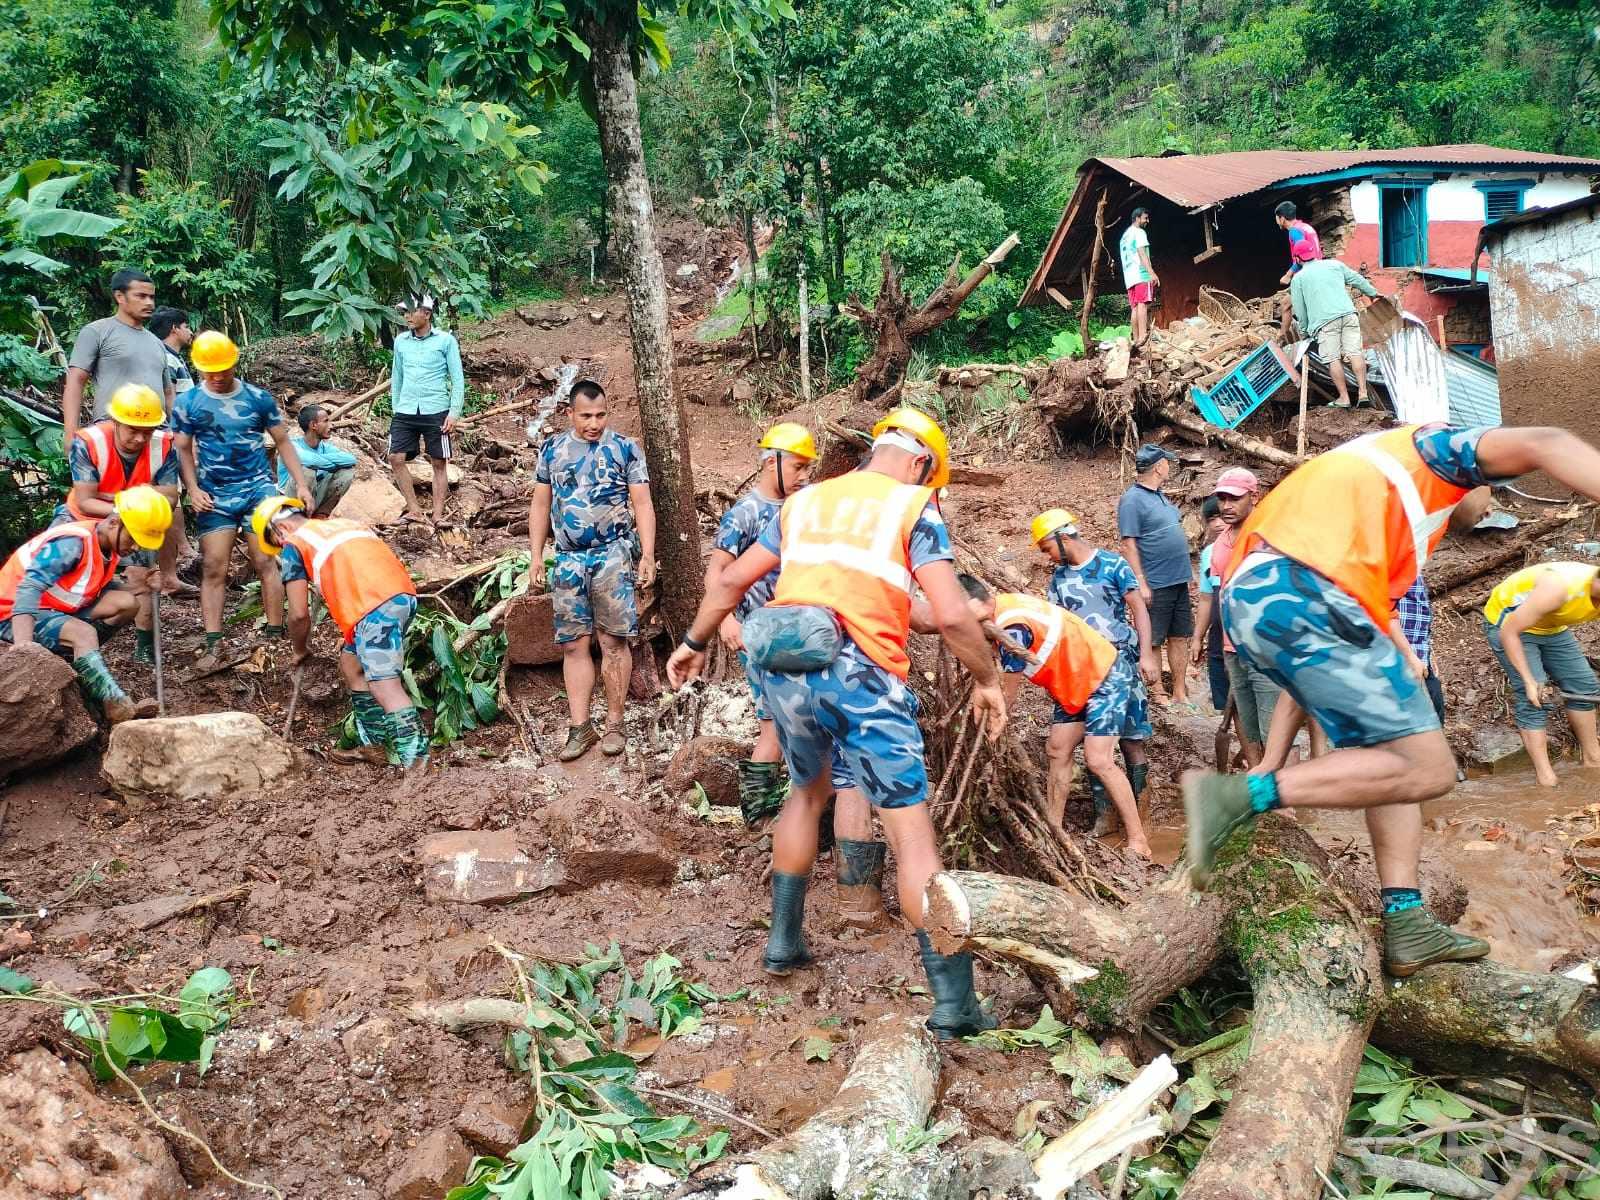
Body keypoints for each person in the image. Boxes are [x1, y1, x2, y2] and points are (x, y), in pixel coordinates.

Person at [1191, 422, 1600, 976]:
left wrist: (1394, 650)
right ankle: (1235, 798)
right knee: (1432, 772)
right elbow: (1549, 441)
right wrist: (1265, 774)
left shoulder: (1360, 509)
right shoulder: (1435, 447)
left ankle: (1405, 921)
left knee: (1395, 758)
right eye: (1489, 492)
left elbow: (1302, 682)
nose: (1486, 506)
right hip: (1307, 587)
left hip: (1268, 598)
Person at [665, 409, 1006, 1039]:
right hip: (864, 678)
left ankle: (783, 944)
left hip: (785, 666)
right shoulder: (912, 507)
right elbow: (954, 614)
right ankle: (956, 1004)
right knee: (912, 835)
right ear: (921, 463)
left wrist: (693, 641)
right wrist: (987, 680)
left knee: (807, 793)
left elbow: (734, 578)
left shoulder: (805, 502)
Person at [709, 423, 886, 923]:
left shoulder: (800, 508)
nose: (806, 476)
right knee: (772, 729)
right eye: (801, 466)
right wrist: (724, 620)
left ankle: (789, 822)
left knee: (799, 740)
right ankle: (761, 816)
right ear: (773, 462)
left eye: (811, 468)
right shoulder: (746, 512)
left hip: (806, 643)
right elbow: (719, 572)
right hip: (765, 637)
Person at [958, 575, 1151, 857]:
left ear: (984, 603)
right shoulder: (1002, 608)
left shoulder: (1012, 625)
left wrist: (994, 726)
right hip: (1076, 681)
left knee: (1099, 759)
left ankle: (1139, 841)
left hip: (1104, 675)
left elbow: (1007, 694)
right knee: (1057, 749)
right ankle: (1054, 828)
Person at [528, 380, 657, 761]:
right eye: (586, 416)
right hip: (568, 558)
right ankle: (580, 727)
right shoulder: (552, 450)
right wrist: (536, 556)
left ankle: (615, 724)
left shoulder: (624, 449)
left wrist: (646, 554)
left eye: (600, 415)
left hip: (613, 553)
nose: (594, 423)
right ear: (570, 413)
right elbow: (540, 506)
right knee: (573, 643)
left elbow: (643, 504)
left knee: (613, 640)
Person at [173, 331, 314, 672]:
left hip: (257, 489)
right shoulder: (188, 402)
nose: (217, 376)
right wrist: (192, 489)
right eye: (210, 371)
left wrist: (300, 484)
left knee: (267, 561)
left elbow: (282, 442)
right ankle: (213, 640)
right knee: (213, 566)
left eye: (223, 368)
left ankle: (276, 633)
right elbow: (182, 449)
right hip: (214, 494)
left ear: (234, 362)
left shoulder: (258, 398)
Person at [253, 497, 429, 769]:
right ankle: (374, 745)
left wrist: (299, 649)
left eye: (276, 543)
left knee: (385, 685)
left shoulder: (294, 545)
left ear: (280, 530)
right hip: (400, 597)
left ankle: (418, 765)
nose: (279, 547)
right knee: (351, 664)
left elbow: (299, 613)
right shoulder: (344, 525)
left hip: (372, 607)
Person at [1034, 510, 1157, 837]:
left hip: (1121, 664)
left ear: (1063, 536)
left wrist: (1147, 655)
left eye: (1047, 547)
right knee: (1093, 741)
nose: (1047, 556)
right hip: (1081, 671)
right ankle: (1105, 818)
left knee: (1131, 740)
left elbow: (1139, 610)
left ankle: (1140, 814)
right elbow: (1057, 627)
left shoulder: (1113, 565)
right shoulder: (1058, 580)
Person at [0, 486, 171, 722]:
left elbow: (86, 588)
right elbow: (28, 589)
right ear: (114, 522)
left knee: (127, 603)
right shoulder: (72, 543)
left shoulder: (105, 546)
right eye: (133, 538)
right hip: (11, 613)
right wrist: (25, 650)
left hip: (51, 608)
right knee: (83, 633)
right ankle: (114, 706)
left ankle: (80, 660)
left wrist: (143, 585)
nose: (135, 547)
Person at [61, 383, 182, 664]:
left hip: (135, 519)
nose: (140, 439)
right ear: (116, 421)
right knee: (68, 576)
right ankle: (63, 634)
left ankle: (143, 646)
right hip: (84, 518)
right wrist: (134, 502)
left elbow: (171, 497)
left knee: (142, 578)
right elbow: (85, 500)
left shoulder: (164, 445)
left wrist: (136, 508)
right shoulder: (89, 442)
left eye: (147, 431)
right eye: (133, 430)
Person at [1481, 562, 1600, 787]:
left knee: (1584, 687)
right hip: (1510, 623)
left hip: (1551, 627)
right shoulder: (1559, 588)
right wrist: (1528, 680)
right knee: (1535, 697)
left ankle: (1594, 760)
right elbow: (1509, 632)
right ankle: (1546, 778)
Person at [1191, 467, 1280, 765]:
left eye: (1235, 498)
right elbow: (1212, 595)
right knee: (1247, 720)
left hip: (1267, 644)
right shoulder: (1219, 544)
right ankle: (1260, 784)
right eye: (1222, 498)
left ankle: (1288, 796)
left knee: (1276, 725)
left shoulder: (1271, 534)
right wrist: (1198, 637)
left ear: (1254, 497)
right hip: (1231, 645)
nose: (1226, 506)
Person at [1117, 443, 1193, 709]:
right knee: (1154, 638)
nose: (1169, 467)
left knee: (1180, 635)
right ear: (1159, 466)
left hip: (1178, 580)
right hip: (1156, 582)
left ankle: (1180, 692)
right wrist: (1140, 580)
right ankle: (1159, 691)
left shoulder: (1160, 496)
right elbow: (1128, 544)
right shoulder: (1132, 500)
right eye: (1167, 463)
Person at [62, 269, 173, 448]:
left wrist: (176, 433)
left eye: (151, 297)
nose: (149, 303)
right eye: (141, 296)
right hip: (113, 430)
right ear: (120, 296)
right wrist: (70, 434)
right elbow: (75, 381)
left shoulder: (156, 342)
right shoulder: (97, 331)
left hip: (156, 432)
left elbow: (168, 393)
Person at [389, 294, 464, 527]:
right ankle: (414, 509)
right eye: (404, 313)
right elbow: (397, 376)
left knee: (439, 462)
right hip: (406, 410)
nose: (407, 317)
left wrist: (454, 412)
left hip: (436, 409)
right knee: (395, 457)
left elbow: (457, 378)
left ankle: (438, 515)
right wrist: (396, 407)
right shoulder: (401, 341)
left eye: (411, 311)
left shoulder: (445, 341)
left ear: (427, 314)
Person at [1288, 257, 1381, 409]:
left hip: (1325, 322)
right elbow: (1356, 279)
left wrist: (1304, 331)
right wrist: (1373, 292)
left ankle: (1344, 398)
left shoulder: (1298, 279)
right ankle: (1363, 393)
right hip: (1349, 315)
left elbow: (1300, 309)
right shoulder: (1334, 264)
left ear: (1298, 259)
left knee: (1333, 359)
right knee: (1355, 353)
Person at [281, 405, 357, 516]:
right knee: (307, 470)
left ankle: (321, 515)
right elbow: (310, 461)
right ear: (313, 425)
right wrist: (332, 465)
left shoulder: (325, 448)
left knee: (346, 472)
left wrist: (319, 461)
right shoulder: (292, 445)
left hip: (314, 496)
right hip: (288, 500)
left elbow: (351, 459)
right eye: (326, 421)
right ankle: (296, 516)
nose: (331, 426)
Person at [1398, 579, 1447, 727]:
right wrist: (1409, 656)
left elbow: (1422, 616)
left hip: (1421, 655)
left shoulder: (1414, 574)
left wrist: (1429, 652)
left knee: (1435, 699)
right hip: (1396, 656)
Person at [1119, 208, 1158, 347]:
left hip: (1129, 277)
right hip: (1141, 274)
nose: (1147, 221)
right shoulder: (1139, 232)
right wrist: (1152, 273)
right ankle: (1142, 336)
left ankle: (1135, 339)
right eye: (1145, 218)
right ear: (1137, 218)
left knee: (1135, 307)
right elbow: (1142, 254)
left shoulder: (1125, 236)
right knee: (1142, 305)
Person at [1274, 200, 1323, 284]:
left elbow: (1302, 257)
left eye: (1277, 218)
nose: (1277, 222)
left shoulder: (1294, 231)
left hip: (1308, 276)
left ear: (1282, 219)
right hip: (1318, 271)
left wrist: (1288, 275)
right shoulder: (1305, 226)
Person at [149, 306, 194, 396]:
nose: (191, 333)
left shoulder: (174, 357)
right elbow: (170, 399)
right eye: (186, 327)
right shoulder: (167, 358)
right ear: (174, 328)